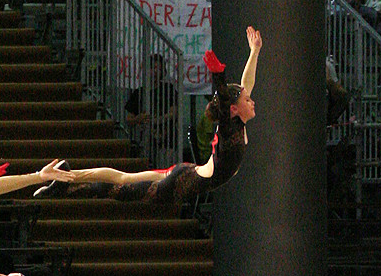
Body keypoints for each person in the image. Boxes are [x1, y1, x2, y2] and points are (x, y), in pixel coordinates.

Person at [34, 27, 262, 218]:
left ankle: (67, 176)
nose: (252, 101)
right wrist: (219, 78)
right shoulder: (229, 127)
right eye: (247, 100)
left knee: (123, 178)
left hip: (187, 173)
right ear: (233, 108)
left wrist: (255, 51)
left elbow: (245, 83)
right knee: (119, 190)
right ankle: (66, 186)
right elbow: (224, 101)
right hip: (180, 183)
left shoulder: (236, 122)